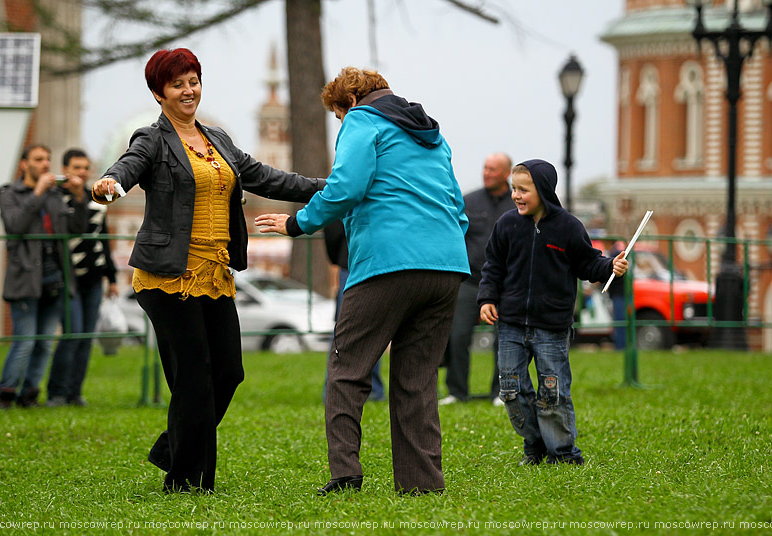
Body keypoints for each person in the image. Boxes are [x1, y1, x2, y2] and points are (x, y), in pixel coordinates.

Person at [91, 48, 324, 493]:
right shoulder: (152, 138)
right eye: (178, 84)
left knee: (228, 372)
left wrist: (330, 186)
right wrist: (111, 182)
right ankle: (186, 482)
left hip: (215, 275)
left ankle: (171, 449)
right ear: (160, 93)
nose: (188, 90)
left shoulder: (218, 139)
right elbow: (129, 166)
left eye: (193, 80)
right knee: (194, 376)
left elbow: (268, 178)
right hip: (167, 276)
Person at [255, 67, 469, 495]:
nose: (339, 123)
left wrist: (297, 224)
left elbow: (346, 187)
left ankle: (346, 474)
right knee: (417, 380)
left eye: (336, 115)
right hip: (447, 265)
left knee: (347, 371)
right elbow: (457, 203)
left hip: (388, 262)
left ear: (347, 102)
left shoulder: (362, 120)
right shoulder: (432, 134)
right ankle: (422, 484)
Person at [478, 159, 628, 466]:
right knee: (511, 390)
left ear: (543, 190)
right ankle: (535, 445)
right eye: (513, 189)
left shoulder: (569, 227)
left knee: (552, 392)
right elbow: (492, 266)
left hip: (552, 327)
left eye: (523, 189)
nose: (516, 195)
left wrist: (611, 266)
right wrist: (486, 298)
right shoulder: (506, 225)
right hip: (510, 324)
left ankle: (563, 453)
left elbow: (588, 263)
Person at [0, 144, 88, 409]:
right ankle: (5, 394)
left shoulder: (56, 194)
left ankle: (30, 394)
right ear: (24, 164)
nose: (46, 164)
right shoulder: (10, 193)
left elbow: (76, 228)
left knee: (45, 342)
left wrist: (79, 199)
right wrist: (37, 193)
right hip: (25, 279)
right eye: (38, 159)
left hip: (55, 278)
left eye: (47, 159)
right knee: (25, 340)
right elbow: (15, 226)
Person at [439, 152, 515, 407]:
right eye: (485, 168)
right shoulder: (468, 201)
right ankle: (457, 391)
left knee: (504, 339)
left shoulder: (518, 204)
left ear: (507, 174)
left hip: (506, 285)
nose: (486, 173)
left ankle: (501, 391)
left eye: (493, 169)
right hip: (471, 282)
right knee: (457, 336)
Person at [45, 148, 119, 407]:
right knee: (72, 334)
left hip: (94, 276)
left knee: (86, 337)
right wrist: (75, 196)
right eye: (77, 168)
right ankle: (56, 392)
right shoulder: (55, 198)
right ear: (65, 170)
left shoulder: (96, 199)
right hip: (69, 277)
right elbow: (69, 228)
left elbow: (103, 239)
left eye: (86, 168)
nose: (82, 173)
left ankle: (74, 392)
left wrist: (112, 278)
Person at [322, 221, 385, 403]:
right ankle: (366, 389)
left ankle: (338, 390)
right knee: (366, 327)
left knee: (346, 328)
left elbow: (332, 227)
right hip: (365, 260)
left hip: (350, 259)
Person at [605, 239, 627, 350]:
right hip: (620, 293)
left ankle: (620, 346)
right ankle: (620, 345)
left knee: (620, 321)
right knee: (620, 320)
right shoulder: (617, 252)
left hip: (619, 294)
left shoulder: (614, 254)